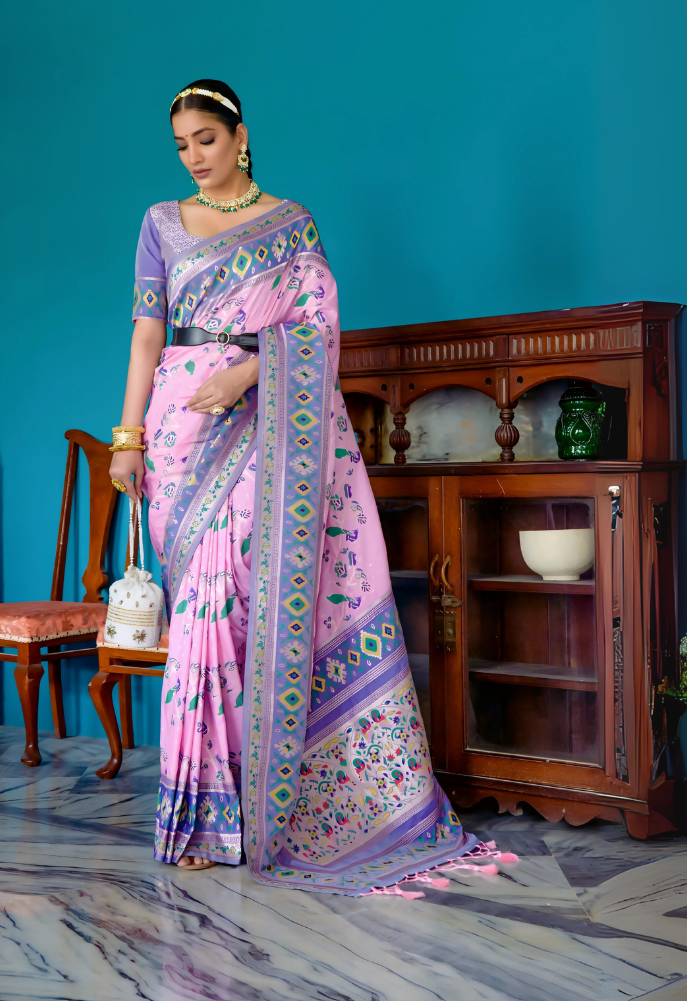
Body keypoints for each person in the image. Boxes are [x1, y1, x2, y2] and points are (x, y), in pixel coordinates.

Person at [109, 79, 488, 894]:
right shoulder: (161, 223)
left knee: (242, 603)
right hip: (179, 427)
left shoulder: (292, 225)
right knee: (199, 610)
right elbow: (146, 335)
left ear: (240, 136)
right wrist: (127, 436)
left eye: (206, 139)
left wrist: (248, 373)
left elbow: (315, 330)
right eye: (181, 145)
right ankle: (200, 814)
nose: (193, 157)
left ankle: (261, 804)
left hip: (264, 419)